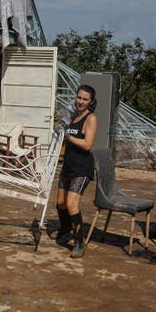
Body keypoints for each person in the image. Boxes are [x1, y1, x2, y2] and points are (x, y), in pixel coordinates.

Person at [55, 84, 98, 258]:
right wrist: (59, 126)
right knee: (60, 203)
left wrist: (69, 136)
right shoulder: (72, 116)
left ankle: (79, 242)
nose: (80, 101)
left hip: (82, 168)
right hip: (68, 166)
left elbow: (87, 145)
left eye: (84, 99)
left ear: (91, 102)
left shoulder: (91, 119)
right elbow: (63, 130)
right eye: (79, 97)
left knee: (72, 204)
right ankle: (65, 227)